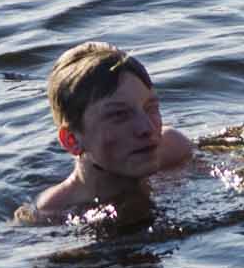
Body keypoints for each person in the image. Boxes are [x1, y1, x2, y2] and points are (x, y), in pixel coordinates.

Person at [21, 40, 196, 226]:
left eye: (150, 108)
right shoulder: (50, 214)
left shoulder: (174, 150)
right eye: (119, 115)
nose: (147, 128)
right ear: (72, 140)